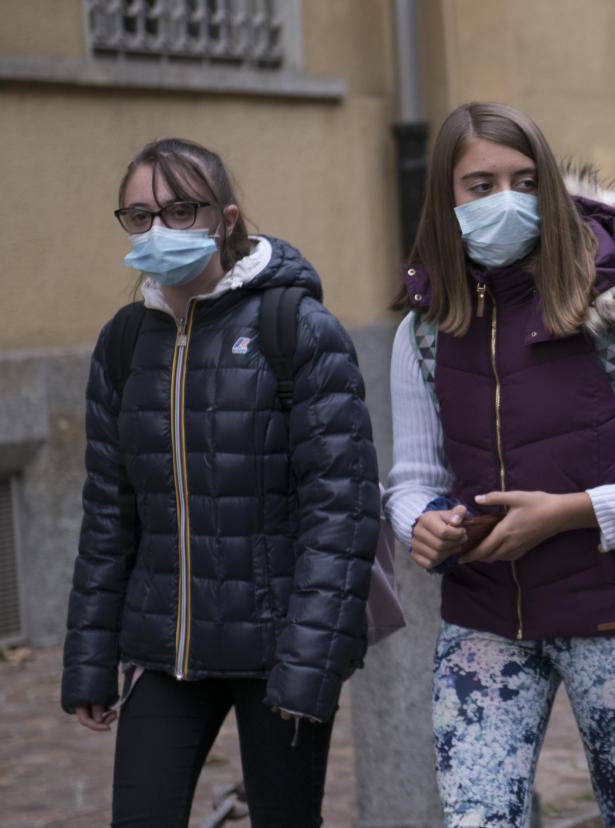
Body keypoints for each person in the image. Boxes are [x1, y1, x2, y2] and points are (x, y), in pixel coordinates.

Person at [385, 101, 615, 826]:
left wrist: (569, 514)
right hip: (486, 619)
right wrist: (420, 525)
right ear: (446, 199)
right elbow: (412, 480)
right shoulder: (424, 330)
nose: (506, 202)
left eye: (526, 181)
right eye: (481, 185)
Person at [59, 138, 381, 827]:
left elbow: (342, 512)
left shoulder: (294, 328)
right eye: (140, 215)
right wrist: (89, 660)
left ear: (225, 219)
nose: (159, 230)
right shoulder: (122, 343)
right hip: (165, 649)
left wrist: (311, 661)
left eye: (181, 210)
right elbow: (109, 515)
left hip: (278, 652)